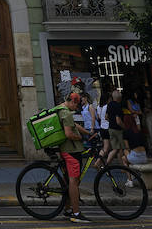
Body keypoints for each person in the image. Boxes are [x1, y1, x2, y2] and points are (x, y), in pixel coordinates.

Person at [57, 90, 91, 223]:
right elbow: (69, 134)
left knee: (68, 181)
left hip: (67, 150)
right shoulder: (65, 113)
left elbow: (74, 125)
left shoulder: (61, 108)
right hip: (70, 151)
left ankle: (67, 209)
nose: (76, 108)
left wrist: (88, 132)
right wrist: (81, 138)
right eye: (76, 106)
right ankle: (76, 213)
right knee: (73, 181)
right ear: (71, 102)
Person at [105, 87, 129, 166]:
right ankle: (107, 165)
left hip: (111, 128)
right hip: (118, 130)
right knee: (120, 148)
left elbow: (106, 117)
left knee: (117, 148)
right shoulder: (118, 106)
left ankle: (120, 165)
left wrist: (111, 121)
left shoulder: (109, 105)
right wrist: (124, 127)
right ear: (120, 98)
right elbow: (118, 120)